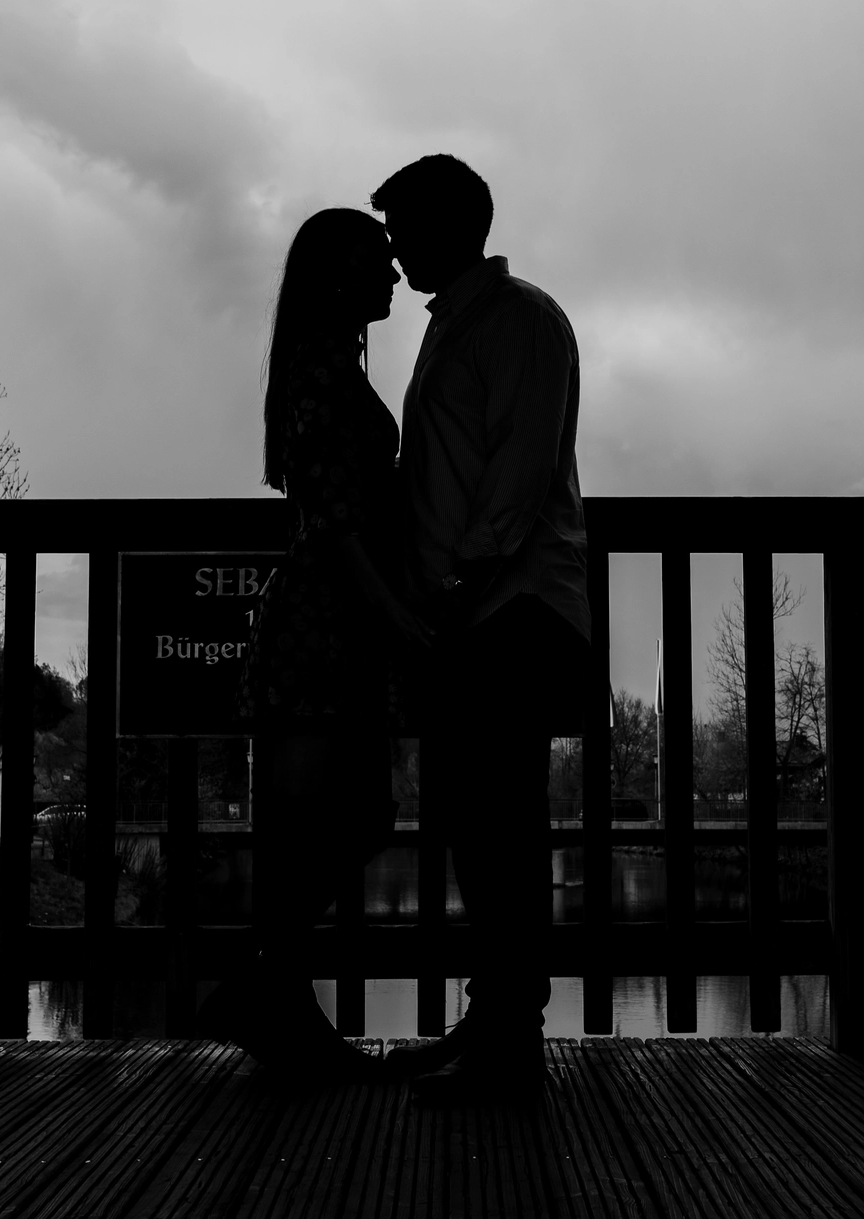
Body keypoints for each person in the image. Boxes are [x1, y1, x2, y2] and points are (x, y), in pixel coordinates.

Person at [373, 155, 591, 1101]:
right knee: (475, 821)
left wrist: (457, 583)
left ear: (451, 226)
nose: (391, 246)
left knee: (502, 823)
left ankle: (512, 1039)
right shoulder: (457, 326)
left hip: (511, 610)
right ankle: (496, 1022)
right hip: (469, 613)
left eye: (401, 227)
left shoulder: (521, 322)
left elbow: (519, 471)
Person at [214, 206, 434, 1081]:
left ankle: (263, 990)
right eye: (373, 261)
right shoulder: (317, 371)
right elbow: (339, 528)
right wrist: (401, 619)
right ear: (334, 278)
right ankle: (277, 1001)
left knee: (349, 818)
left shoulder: (329, 366)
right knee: (321, 824)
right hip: (320, 625)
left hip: (337, 627)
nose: (389, 274)